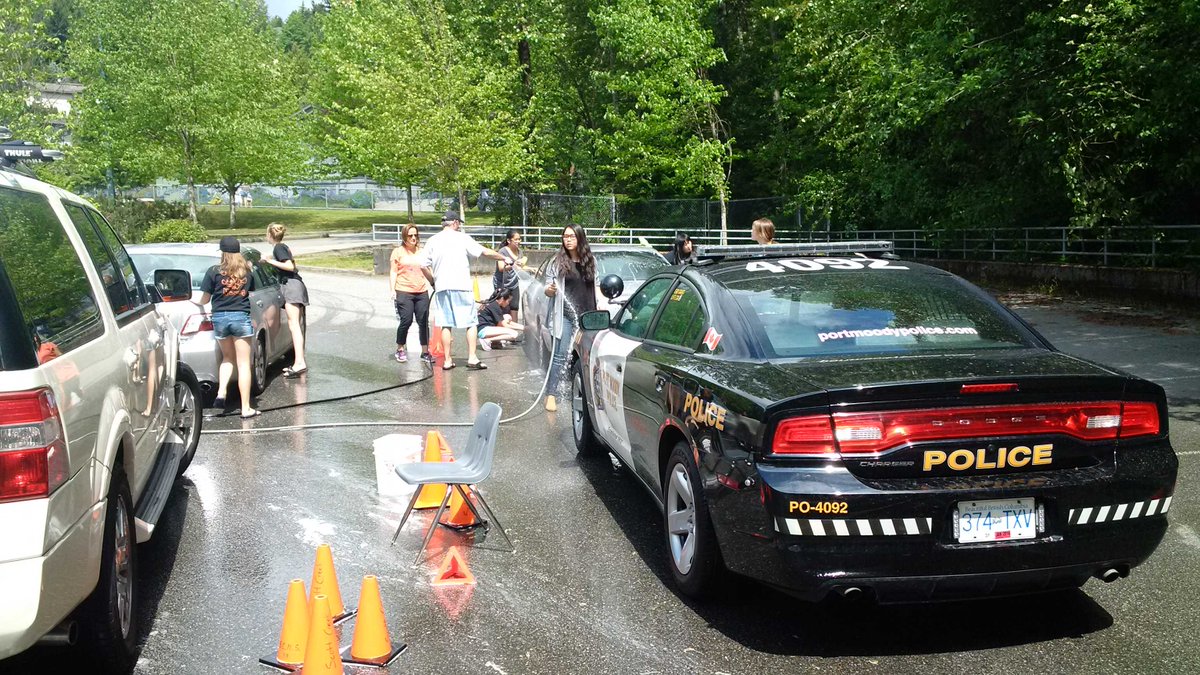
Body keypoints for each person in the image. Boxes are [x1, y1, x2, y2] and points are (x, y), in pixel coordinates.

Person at [420, 210, 510, 371]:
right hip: (462, 286)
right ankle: (472, 358)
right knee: (471, 322)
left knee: (446, 324)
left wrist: (433, 281)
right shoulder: (462, 238)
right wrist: (503, 257)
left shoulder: (432, 240)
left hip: (442, 288)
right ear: (454, 222)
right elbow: (484, 252)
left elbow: (422, 265)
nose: (460, 226)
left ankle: (447, 360)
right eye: (459, 223)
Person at [199, 236, 259, 418]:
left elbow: (205, 299)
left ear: (222, 253)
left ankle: (221, 392)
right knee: (243, 364)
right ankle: (246, 407)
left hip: (220, 318)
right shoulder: (247, 272)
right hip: (240, 317)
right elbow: (251, 291)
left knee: (227, 358)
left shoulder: (213, 271)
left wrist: (197, 304)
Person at [543, 223, 599, 411]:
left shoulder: (590, 261)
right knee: (560, 356)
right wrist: (550, 290)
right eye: (565, 236)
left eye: (572, 236)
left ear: (580, 238)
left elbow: (595, 287)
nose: (567, 240)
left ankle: (591, 394)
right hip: (566, 317)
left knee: (590, 357)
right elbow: (548, 289)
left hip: (588, 317)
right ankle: (550, 394)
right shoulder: (557, 262)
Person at [262, 223, 308, 377]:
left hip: (291, 287)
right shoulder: (282, 247)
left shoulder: (278, 247)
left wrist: (269, 261)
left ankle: (299, 362)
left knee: (294, 325)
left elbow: (289, 266)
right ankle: (299, 361)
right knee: (296, 325)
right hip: (296, 286)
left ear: (269, 235)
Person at [389, 223, 433, 364]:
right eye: (410, 235)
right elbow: (393, 271)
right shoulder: (398, 252)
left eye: (415, 235)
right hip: (403, 290)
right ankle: (400, 348)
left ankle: (425, 352)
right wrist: (392, 290)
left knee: (423, 322)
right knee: (406, 320)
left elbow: (427, 269)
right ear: (404, 237)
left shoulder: (422, 252)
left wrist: (433, 282)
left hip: (421, 291)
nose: (413, 238)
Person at [490, 228, 530, 321]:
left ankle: (514, 328)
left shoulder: (520, 252)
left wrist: (532, 269)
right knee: (503, 307)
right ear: (508, 240)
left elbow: (520, 267)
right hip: (502, 283)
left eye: (519, 239)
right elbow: (501, 268)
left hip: (514, 283)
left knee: (514, 307)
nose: (518, 241)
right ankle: (502, 327)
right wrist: (513, 264)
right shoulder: (502, 251)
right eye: (515, 239)